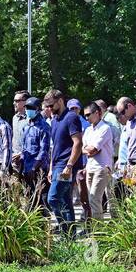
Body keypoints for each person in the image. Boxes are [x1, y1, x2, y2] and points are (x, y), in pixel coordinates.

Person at [45, 90, 83, 236]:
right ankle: (70, 238)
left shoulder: (71, 117)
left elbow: (78, 143)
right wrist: (50, 168)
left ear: (60, 101)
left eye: (51, 105)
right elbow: (55, 146)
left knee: (53, 198)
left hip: (65, 167)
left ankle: (65, 230)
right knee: (66, 201)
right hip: (56, 166)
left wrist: (69, 166)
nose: (48, 108)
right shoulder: (55, 120)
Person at [12, 95, 50, 208]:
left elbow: (44, 150)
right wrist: (21, 158)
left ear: (38, 109)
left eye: (31, 108)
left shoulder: (44, 127)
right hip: (26, 168)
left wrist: (34, 167)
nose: (28, 110)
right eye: (27, 107)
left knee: (41, 200)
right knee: (29, 199)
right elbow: (25, 148)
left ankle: (44, 224)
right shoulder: (26, 126)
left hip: (39, 169)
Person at [81, 101, 114, 220]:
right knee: (91, 199)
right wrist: (88, 150)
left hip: (102, 168)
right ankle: (96, 228)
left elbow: (94, 148)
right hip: (90, 167)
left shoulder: (105, 128)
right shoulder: (88, 130)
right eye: (84, 115)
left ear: (97, 113)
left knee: (95, 198)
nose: (86, 117)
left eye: (88, 114)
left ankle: (98, 232)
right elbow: (84, 149)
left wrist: (89, 150)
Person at [11, 91, 30, 155]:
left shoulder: (31, 118)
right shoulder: (15, 118)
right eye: (14, 101)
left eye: (17, 101)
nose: (14, 103)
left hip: (28, 157)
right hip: (15, 157)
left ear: (26, 102)